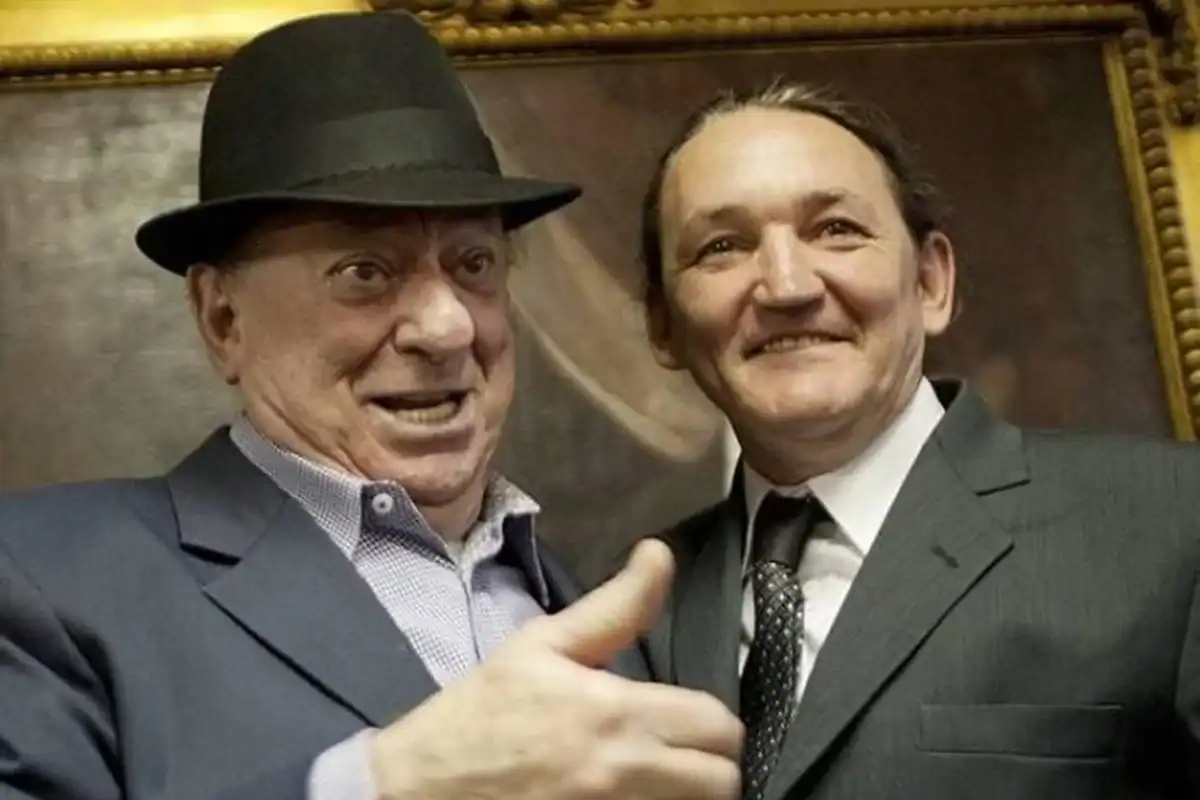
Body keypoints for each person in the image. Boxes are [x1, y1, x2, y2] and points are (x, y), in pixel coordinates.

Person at [0, 12, 743, 800]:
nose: (447, 327)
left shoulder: (607, 616)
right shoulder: (44, 579)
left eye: (474, 263)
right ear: (223, 320)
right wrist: (384, 784)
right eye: (365, 272)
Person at [635, 79, 1200, 800]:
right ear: (663, 325)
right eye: (722, 247)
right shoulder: (640, 605)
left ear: (931, 282)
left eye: (836, 229)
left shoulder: (1173, 520)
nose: (787, 286)